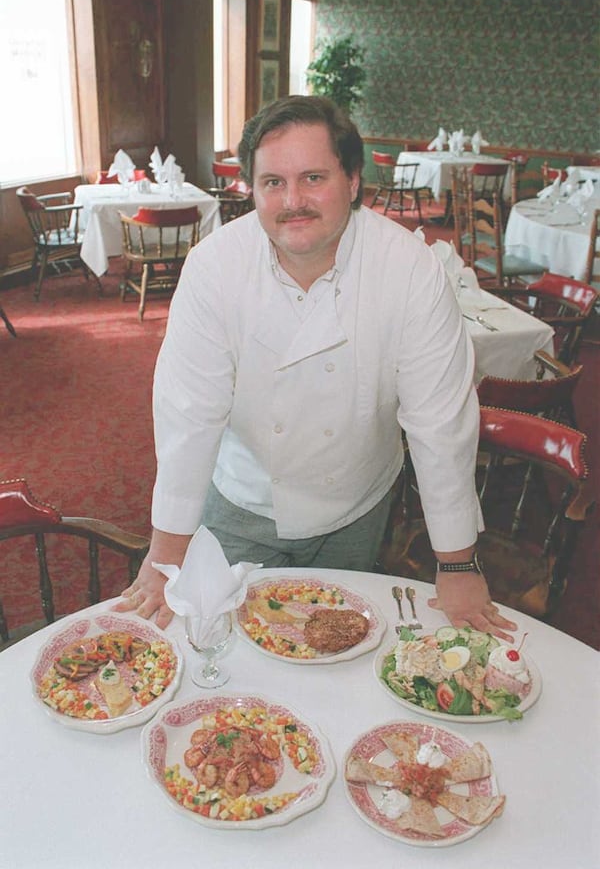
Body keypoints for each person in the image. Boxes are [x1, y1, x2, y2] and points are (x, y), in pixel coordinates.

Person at [115, 95, 516, 641]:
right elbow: (189, 412)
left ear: (352, 181)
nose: (292, 201)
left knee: (334, 643)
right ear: (250, 189)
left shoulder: (409, 269)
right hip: (244, 496)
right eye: (272, 182)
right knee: (219, 646)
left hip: (355, 499)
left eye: (312, 177)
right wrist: (166, 556)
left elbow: (439, 422)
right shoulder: (215, 267)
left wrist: (458, 562)